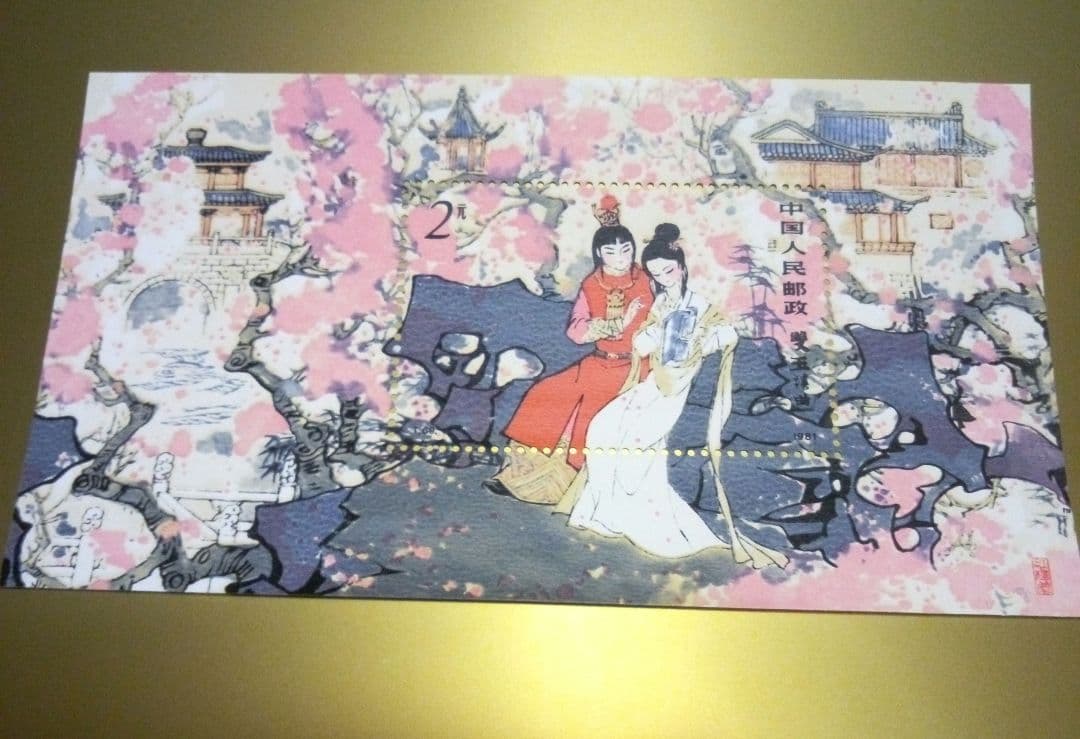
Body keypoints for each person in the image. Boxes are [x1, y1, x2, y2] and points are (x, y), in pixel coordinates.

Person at [557, 223, 788, 567]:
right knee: (603, 427)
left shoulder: (700, 304)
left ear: (681, 267)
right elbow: (648, 337)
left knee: (637, 444)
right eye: (656, 274)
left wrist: (701, 344)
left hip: (675, 388)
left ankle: (642, 519)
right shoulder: (662, 302)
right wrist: (643, 339)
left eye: (668, 271)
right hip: (654, 381)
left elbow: (727, 335)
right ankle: (605, 512)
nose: (663, 278)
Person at [488, 195, 654, 504]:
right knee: (546, 393)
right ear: (599, 253)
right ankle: (518, 477)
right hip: (599, 361)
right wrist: (608, 325)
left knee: (588, 414)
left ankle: (568, 490)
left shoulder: (647, 281)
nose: (620, 258)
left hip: (635, 366)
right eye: (611, 251)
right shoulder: (591, 284)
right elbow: (576, 331)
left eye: (626, 250)